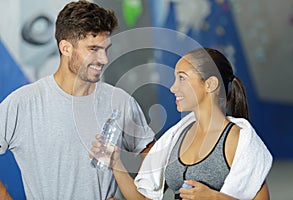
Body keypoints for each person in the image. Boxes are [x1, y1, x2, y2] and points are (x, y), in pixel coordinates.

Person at [0, 0, 155, 199]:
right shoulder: (23, 103)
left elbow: (150, 150)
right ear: (65, 48)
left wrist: (140, 192)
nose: (104, 59)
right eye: (93, 49)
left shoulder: (118, 101)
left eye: (105, 49)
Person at [92, 48, 273, 199]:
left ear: (209, 84)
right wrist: (115, 163)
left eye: (182, 78)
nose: (173, 88)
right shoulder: (177, 136)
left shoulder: (237, 140)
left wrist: (215, 197)